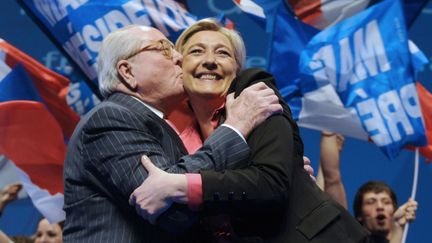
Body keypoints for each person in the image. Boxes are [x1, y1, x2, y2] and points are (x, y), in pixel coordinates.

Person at [130, 18, 370, 242]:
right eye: (196, 51)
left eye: (223, 53)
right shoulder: (174, 135)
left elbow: (270, 182)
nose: (210, 60)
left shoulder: (254, 93)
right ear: (179, 67)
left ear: (236, 69)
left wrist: (181, 185)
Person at [63, 24, 282, 242]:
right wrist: (236, 127)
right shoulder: (111, 118)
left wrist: (269, 168)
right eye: (164, 49)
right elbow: (173, 212)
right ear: (127, 72)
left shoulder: (155, 124)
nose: (179, 58)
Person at [318, 132, 418, 243]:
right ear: (359, 215)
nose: (380, 206)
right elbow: (331, 180)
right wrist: (329, 132)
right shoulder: (349, 238)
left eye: (386, 202)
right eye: (371, 202)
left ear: (394, 212)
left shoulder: (398, 231)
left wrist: (398, 226)